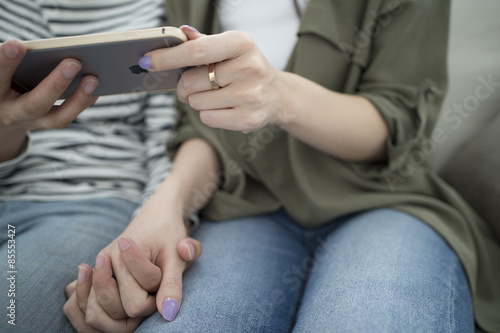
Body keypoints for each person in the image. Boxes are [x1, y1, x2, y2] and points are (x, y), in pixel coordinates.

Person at [65, 0, 500, 332]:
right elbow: (197, 127)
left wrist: (281, 97)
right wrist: (167, 205)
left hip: (380, 202)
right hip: (242, 207)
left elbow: (398, 125)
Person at [0, 1, 203, 332]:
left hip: (91, 201)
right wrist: (7, 129)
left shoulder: (158, 10)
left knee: (13, 310)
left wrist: (155, 223)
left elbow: (167, 140)